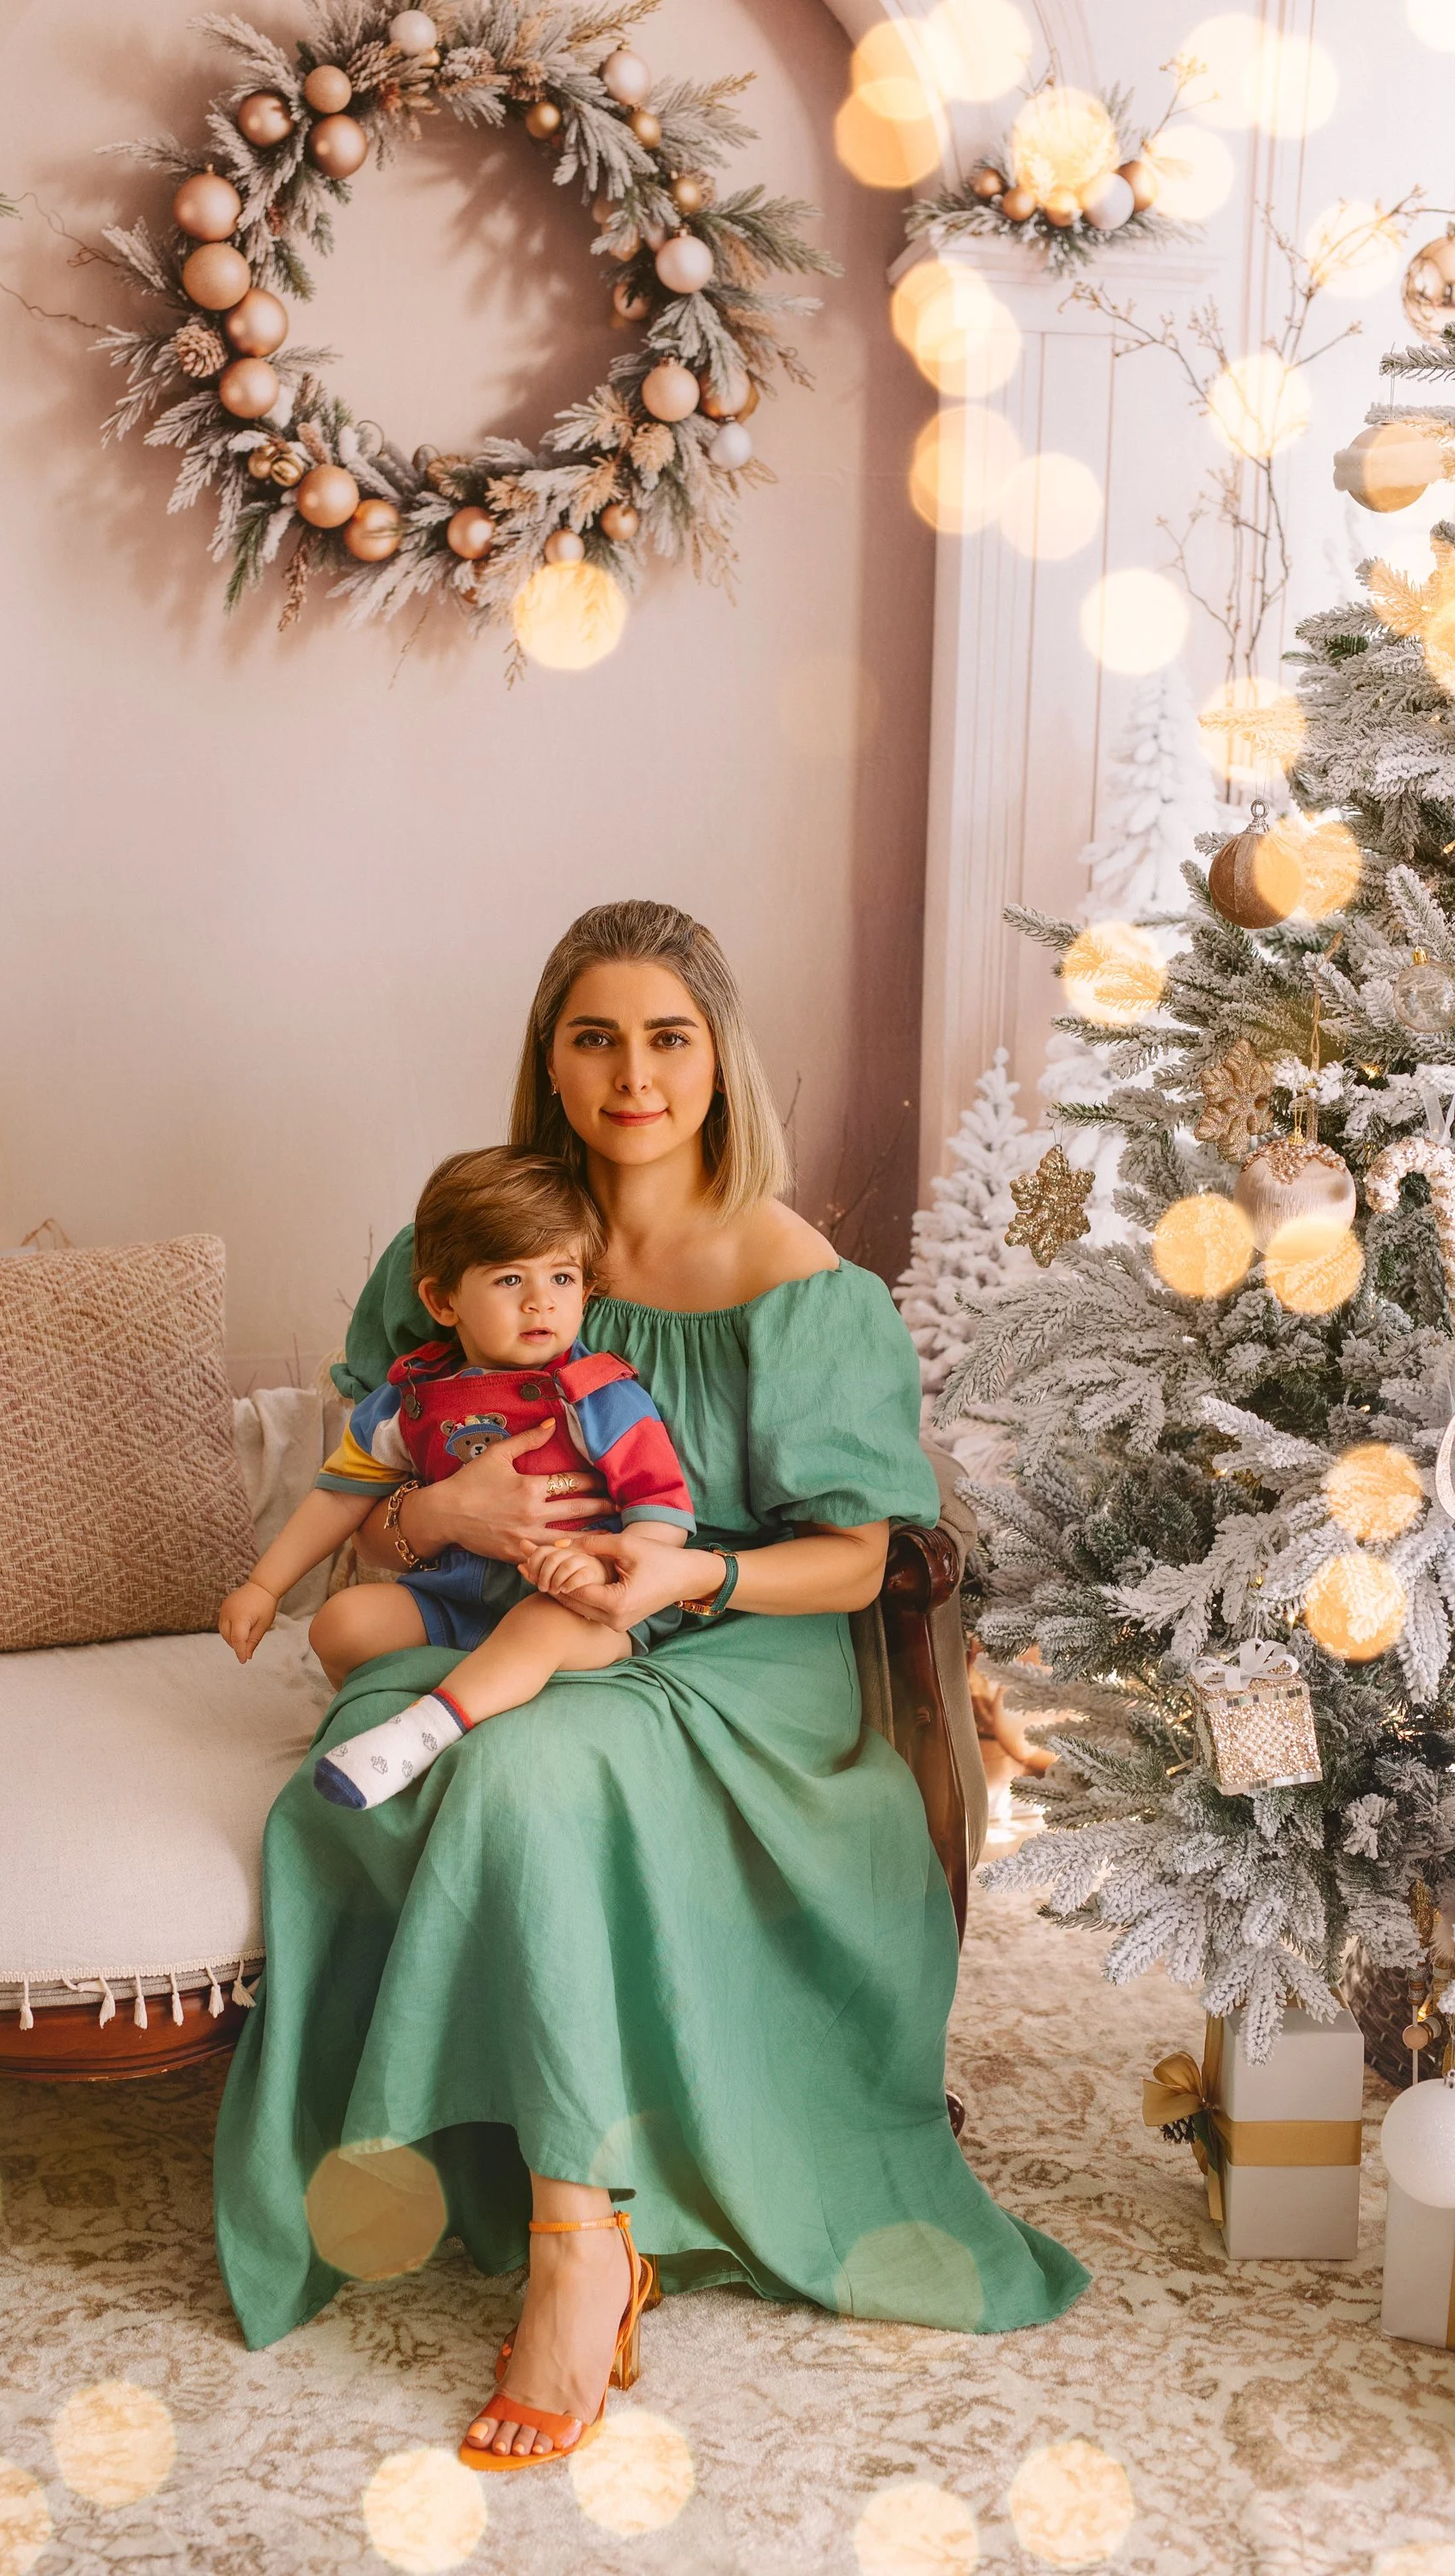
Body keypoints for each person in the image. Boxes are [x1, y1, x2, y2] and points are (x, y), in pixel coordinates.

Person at [213, 899, 1087, 2472]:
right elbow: (371, 1497)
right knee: (399, 1743)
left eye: (667, 1037)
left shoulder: (793, 1281)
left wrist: (689, 1573)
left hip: (736, 1637)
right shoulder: (468, 1248)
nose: (633, 1074)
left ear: (718, 1058)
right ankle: (554, 2188)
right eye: (594, 1036)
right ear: (549, 1062)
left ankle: (574, 2244)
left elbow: (869, 1556)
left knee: (531, 1772)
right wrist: (443, 1517)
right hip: (496, 1609)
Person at [217, 1145, 697, 1810]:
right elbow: (339, 1496)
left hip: (580, 1610)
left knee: (538, 1625)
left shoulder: (595, 1394)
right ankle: (461, 1690)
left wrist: (609, 1572)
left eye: (562, 1279)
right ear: (443, 1301)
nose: (541, 1305)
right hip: (456, 1605)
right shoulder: (412, 1398)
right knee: (340, 1625)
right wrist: (264, 1584)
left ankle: (423, 1731)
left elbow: (663, 1508)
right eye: (509, 1281)